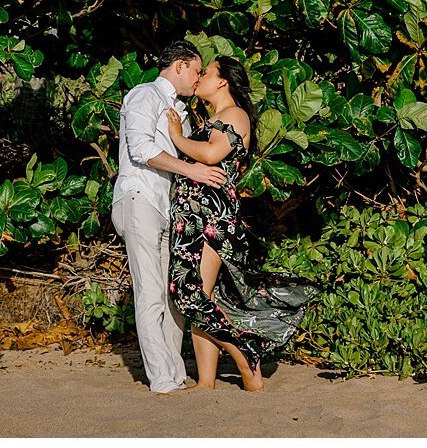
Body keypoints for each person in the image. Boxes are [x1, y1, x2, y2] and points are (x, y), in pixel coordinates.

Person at [163, 56, 320, 392]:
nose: (199, 77)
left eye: (206, 72)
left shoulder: (234, 115)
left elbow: (211, 154)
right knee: (204, 296)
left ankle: (245, 352)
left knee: (188, 293)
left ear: (222, 82)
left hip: (209, 216)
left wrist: (177, 137)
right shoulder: (212, 117)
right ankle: (206, 381)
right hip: (192, 216)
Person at [111, 40, 225, 394]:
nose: (198, 77)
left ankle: (174, 373)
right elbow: (142, 149)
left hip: (165, 207)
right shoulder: (144, 95)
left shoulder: (180, 112)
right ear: (179, 66)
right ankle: (161, 379)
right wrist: (193, 171)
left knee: (172, 293)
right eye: (196, 69)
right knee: (150, 293)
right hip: (138, 197)